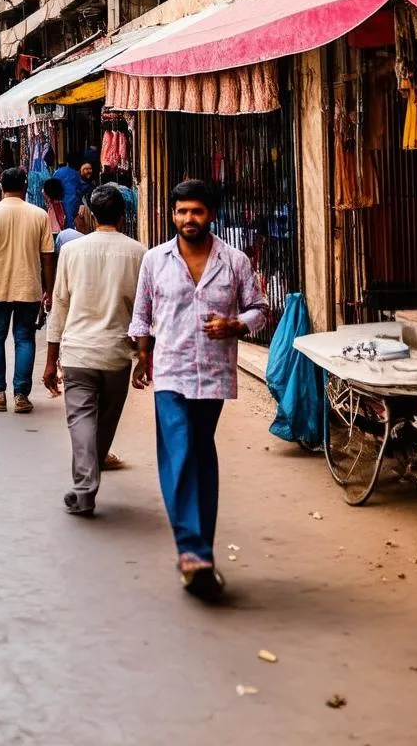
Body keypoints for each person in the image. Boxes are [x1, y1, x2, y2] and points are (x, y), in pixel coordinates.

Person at [130, 179, 269, 600]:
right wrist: (141, 356)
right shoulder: (155, 260)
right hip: (170, 370)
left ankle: (200, 550)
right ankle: (192, 552)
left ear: (212, 214)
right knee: (181, 449)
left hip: (212, 374)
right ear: (172, 215)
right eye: (181, 211)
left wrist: (235, 325)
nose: (189, 219)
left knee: (201, 454)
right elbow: (142, 314)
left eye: (197, 211)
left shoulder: (235, 261)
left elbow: (259, 310)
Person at [42, 185, 145, 516]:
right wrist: (144, 355)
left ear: (90, 213)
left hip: (78, 352)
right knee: (106, 420)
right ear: (123, 214)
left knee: (81, 419)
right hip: (117, 354)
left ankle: (85, 485)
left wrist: (50, 359)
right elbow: (146, 312)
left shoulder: (72, 251)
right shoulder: (139, 253)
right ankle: (89, 475)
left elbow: (59, 305)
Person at [0, 166, 55, 414]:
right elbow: (48, 257)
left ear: (1, 186)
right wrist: (49, 290)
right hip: (29, 287)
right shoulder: (39, 215)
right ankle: (21, 395)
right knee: (24, 339)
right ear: (26, 185)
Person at [51, 155, 83, 229]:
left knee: (60, 221)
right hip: (74, 201)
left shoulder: (57, 173)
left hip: (60, 201)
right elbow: (79, 190)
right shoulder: (76, 174)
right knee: (71, 220)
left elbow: (53, 188)